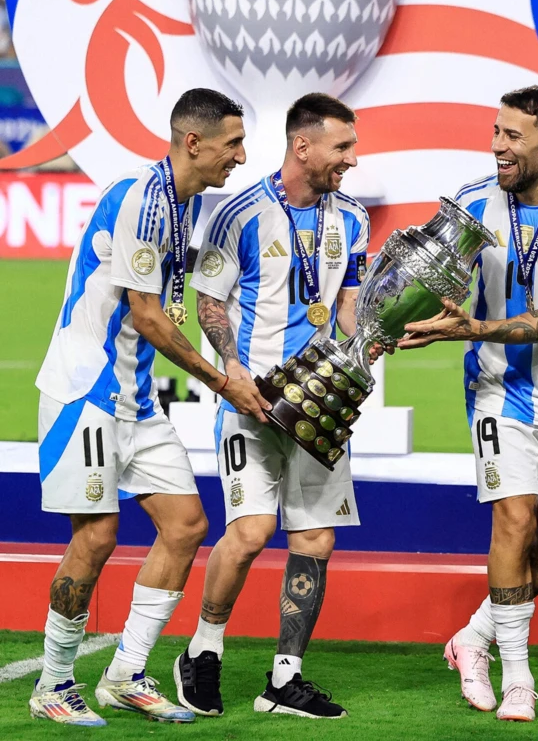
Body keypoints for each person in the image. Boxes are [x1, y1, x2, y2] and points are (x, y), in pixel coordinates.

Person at [30, 88, 266, 725]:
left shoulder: (181, 205)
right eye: (233, 143)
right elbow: (148, 315)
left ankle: (125, 673)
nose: (240, 156)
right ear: (195, 142)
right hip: (86, 391)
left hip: (134, 395)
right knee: (97, 536)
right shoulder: (140, 195)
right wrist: (223, 382)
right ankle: (53, 684)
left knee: (186, 526)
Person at [397, 85, 538, 722]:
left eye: (513, 136)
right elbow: (431, 283)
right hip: (497, 392)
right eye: (496, 132)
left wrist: (472, 327)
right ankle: (518, 677)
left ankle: (474, 635)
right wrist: (400, 320)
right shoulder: (470, 204)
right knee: (515, 523)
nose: (497, 145)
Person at [175, 93, 369, 720]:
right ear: (302, 145)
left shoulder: (355, 220)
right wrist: (230, 366)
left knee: (315, 537)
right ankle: (202, 651)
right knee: (252, 532)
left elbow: (347, 301)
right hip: (252, 399)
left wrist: (363, 343)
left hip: (319, 405)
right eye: (342, 147)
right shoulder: (238, 214)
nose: (352, 158)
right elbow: (208, 300)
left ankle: (285, 678)